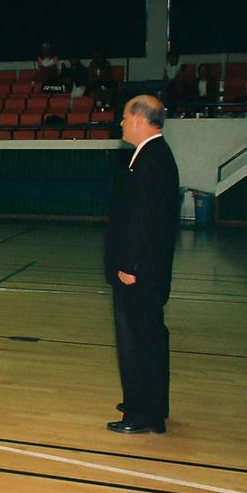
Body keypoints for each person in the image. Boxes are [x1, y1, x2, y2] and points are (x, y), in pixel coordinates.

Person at [103, 95, 178, 434]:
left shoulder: (151, 159)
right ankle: (148, 402)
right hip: (148, 270)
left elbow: (142, 220)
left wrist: (129, 264)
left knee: (137, 341)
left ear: (138, 119)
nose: (120, 123)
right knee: (147, 338)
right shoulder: (152, 156)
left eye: (123, 117)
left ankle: (141, 413)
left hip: (139, 271)